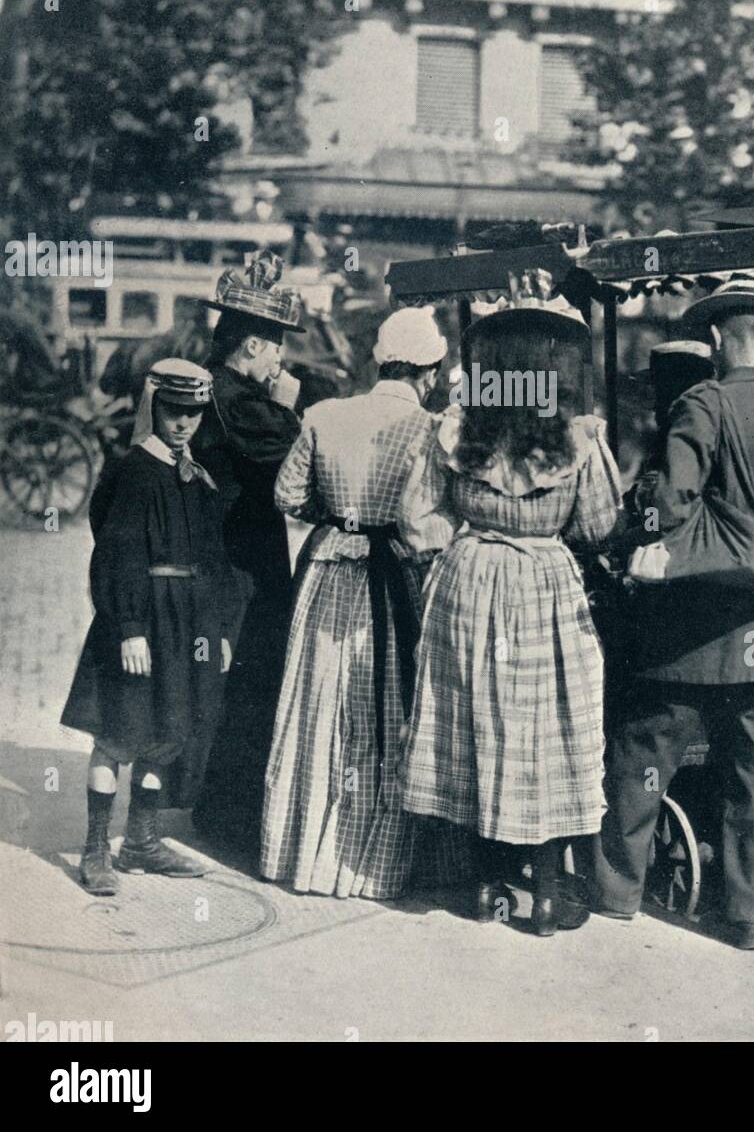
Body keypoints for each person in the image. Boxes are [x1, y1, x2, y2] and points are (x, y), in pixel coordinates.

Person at [591, 278, 754, 948]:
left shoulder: (703, 402)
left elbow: (668, 503)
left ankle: (617, 892)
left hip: (692, 633)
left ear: (721, 338)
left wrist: (638, 524)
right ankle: (747, 917)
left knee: (642, 751)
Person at [398, 306, 622, 937]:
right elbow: (601, 526)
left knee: (475, 722)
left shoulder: (455, 429)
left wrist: (471, 538)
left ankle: (486, 885)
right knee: (544, 731)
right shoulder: (579, 438)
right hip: (545, 584)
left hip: (469, 580)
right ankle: (547, 894)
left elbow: (418, 523)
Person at [261, 308, 451, 898]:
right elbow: (433, 519)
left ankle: (296, 853)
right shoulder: (431, 429)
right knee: (383, 706)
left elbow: (286, 495)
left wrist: (336, 512)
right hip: (392, 574)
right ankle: (367, 866)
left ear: (378, 360)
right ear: (430, 371)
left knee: (316, 702)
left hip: (326, 568)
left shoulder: (324, 414)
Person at [60, 360, 243, 895]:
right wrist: (130, 625)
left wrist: (220, 631)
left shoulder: (198, 476)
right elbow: (114, 551)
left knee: (167, 731)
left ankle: (141, 840)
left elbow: (213, 560)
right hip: (141, 620)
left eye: (193, 413)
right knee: (118, 732)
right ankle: (97, 848)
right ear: (153, 406)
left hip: (187, 624)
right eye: (173, 411)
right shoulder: (135, 470)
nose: (184, 423)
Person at [190, 250, 305, 856]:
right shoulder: (244, 403)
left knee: (229, 685)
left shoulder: (208, 385)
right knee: (251, 686)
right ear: (254, 344)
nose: (282, 356)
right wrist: (289, 404)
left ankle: (208, 806)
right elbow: (299, 466)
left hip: (219, 558)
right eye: (277, 343)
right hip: (243, 568)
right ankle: (229, 819)